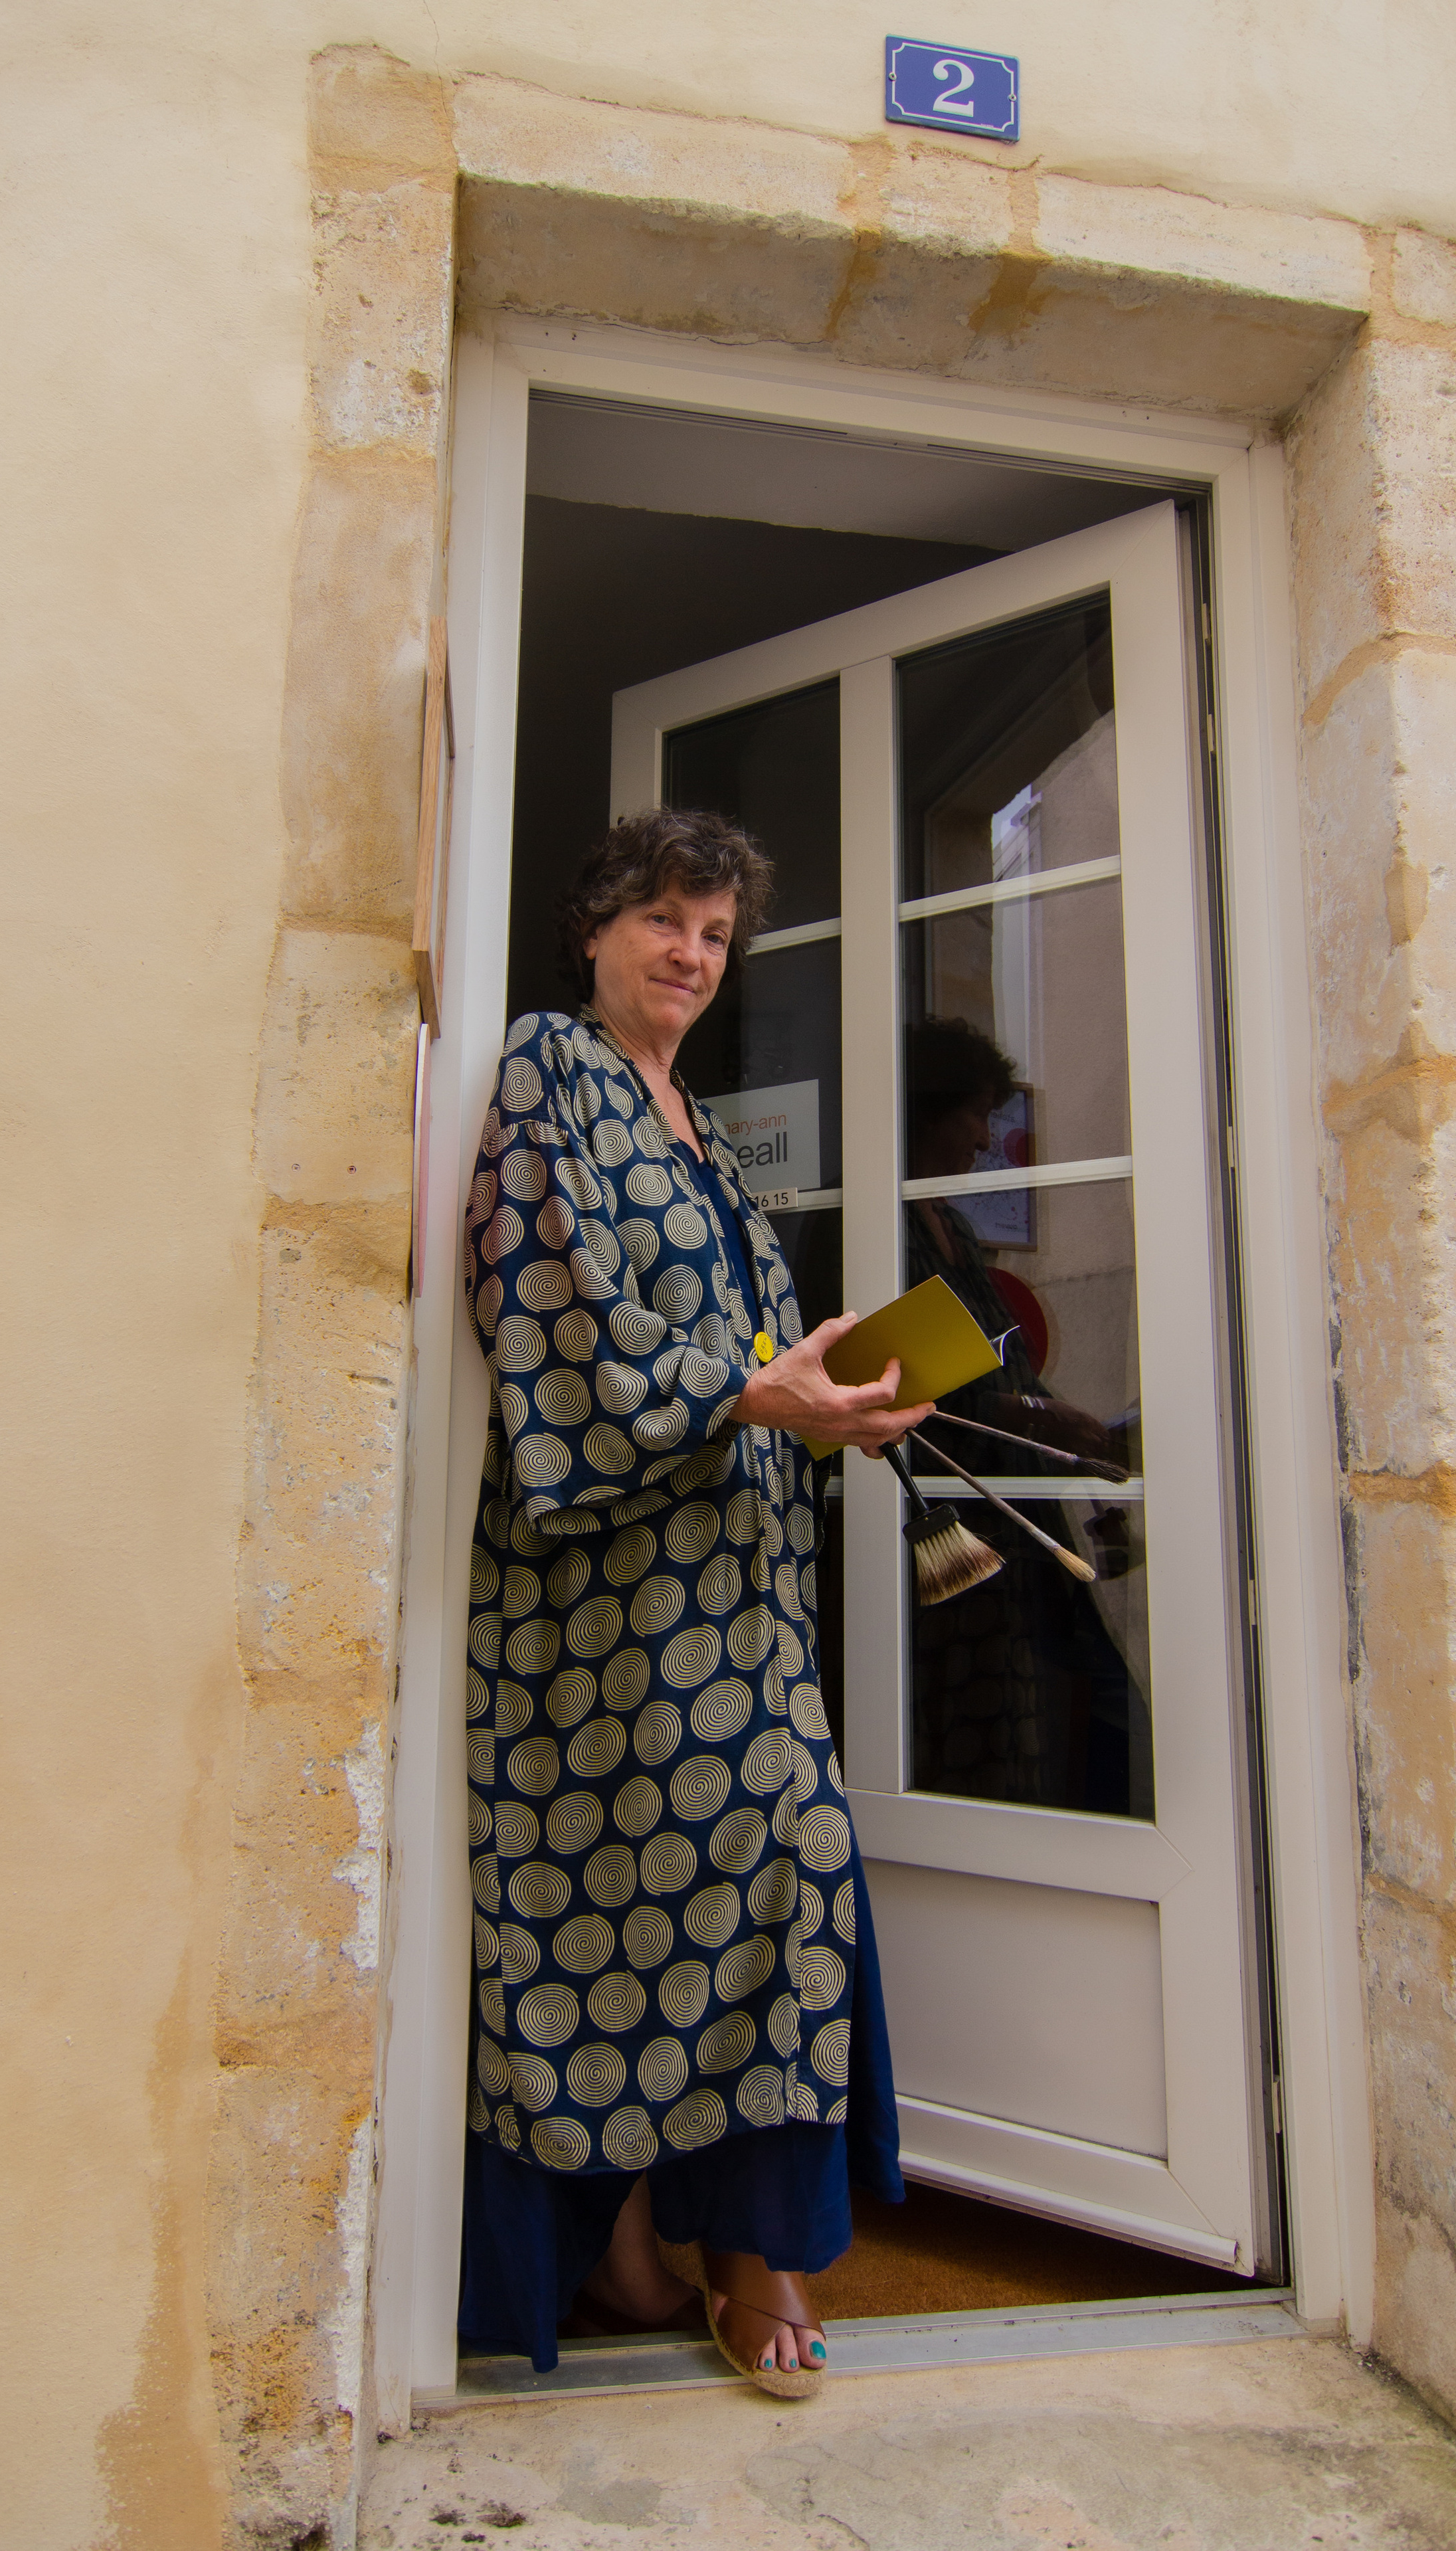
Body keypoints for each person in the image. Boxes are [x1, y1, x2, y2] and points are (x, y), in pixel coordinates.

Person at [458, 808, 929, 2392]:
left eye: (716, 934)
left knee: (781, 1867)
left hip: (742, 1594)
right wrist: (747, 1398)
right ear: (594, 929)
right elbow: (547, 1301)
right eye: (663, 919)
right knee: (639, 1903)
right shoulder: (549, 1067)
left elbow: (754, 1356)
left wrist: (839, 1399)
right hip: (600, 1604)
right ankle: (659, 2247)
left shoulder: (703, 1129)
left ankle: (716, 2248)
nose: (689, 953)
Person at [903, 1016, 1150, 1814]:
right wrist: (1047, 1419)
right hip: (956, 1526)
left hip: (1019, 1518)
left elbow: (998, 1364)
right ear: (927, 1110)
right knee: (982, 1735)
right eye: (973, 1114)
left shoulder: (956, 1232)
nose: (984, 1138)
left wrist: (1065, 1430)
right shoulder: (885, 1230)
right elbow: (918, 1392)